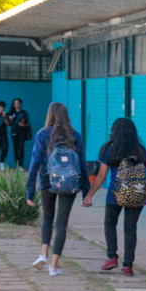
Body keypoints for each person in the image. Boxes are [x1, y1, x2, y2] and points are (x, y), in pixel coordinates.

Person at [26, 102, 90, 276]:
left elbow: (34, 163)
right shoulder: (75, 135)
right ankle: (53, 266)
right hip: (70, 183)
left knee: (47, 217)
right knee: (61, 224)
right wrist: (86, 192)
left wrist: (30, 192)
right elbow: (83, 164)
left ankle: (43, 254)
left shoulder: (43, 134)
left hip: (47, 181)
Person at [82, 118, 146, 277]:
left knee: (110, 223)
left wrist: (89, 195)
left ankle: (112, 257)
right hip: (136, 194)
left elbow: (101, 176)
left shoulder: (109, 149)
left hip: (115, 194)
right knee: (130, 228)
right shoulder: (140, 150)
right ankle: (128, 266)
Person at [5, 98, 31, 170]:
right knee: (15, 148)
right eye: (15, 103)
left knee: (21, 148)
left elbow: (28, 123)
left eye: (17, 103)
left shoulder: (24, 113)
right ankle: (17, 164)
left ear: (20, 104)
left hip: (22, 132)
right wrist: (7, 118)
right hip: (14, 132)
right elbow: (8, 124)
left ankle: (21, 165)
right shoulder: (11, 113)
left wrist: (24, 125)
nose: (16, 105)